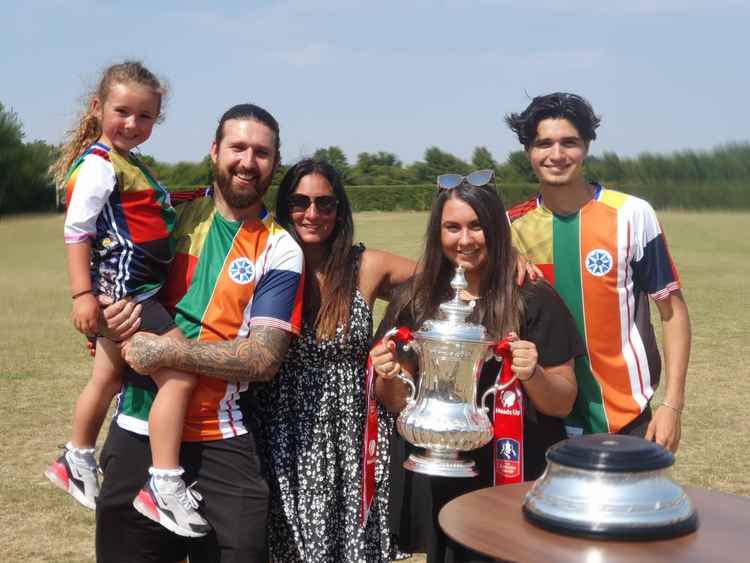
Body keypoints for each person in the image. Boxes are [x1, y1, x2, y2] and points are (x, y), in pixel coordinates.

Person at [95, 103, 304, 563]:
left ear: (274, 163)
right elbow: (106, 271)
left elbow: (263, 358)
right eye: (238, 147)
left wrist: (164, 353)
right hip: (136, 428)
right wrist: (105, 320)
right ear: (214, 151)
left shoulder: (281, 247)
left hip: (221, 438)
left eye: (262, 153)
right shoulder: (170, 215)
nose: (248, 162)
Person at [370, 175, 582, 562]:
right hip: (440, 471)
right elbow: (395, 403)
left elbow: (563, 401)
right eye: (452, 227)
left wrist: (532, 372)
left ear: (497, 230)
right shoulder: (414, 301)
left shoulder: (533, 299)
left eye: (476, 226)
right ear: (438, 233)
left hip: (514, 471)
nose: (464, 239)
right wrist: (389, 371)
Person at [44, 61, 208, 537]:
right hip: (129, 296)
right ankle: (163, 482)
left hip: (130, 291)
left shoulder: (125, 164)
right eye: (124, 112)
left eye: (145, 117)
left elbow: (135, 211)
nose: (133, 124)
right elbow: (77, 232)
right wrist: (82, 295)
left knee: (108, 377)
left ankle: (74, 457)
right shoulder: (99, 164)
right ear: (98, 109)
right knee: (180, 372)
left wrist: (180, 199)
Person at [251, 158, 417, 562]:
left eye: (325, 204)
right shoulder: (266, 262)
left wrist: (510, 260)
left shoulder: (365, 266)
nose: (312, 214)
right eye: (300, 202)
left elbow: (442, 279)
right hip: (285, 432)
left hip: (355, 436)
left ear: (340, 210)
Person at [505, 92, 691, 451]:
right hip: (538, 418)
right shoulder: (509, 227)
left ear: (587, 146)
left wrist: (672, 405)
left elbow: (672, 313)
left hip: (625, 418)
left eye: (569, 142)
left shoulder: (632, 215)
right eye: (543, 143)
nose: (556, 155)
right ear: (528, 151)